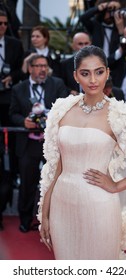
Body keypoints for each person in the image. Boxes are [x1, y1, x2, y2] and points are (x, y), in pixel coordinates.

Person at [37, 45, 126, 260]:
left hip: (99, 206)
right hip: (62, 205)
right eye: (85, 73)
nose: (93, 80)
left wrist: (117, 185)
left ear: (108, 73)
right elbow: (56, 167)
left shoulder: (119, 114)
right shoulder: (62, 110)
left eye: (99, 72)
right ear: (75, 76)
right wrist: (45, 213)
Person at [9, 54, 68, 233]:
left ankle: (54, 223)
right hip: (28, 144)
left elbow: (64, 108)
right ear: (30, 68)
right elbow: (13, 113)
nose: (43, 69)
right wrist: (23, 122)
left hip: (52, 143)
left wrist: (51, 119)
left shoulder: (57, 84)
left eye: (45, 66)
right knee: (27, 183)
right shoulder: (19, 89)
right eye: (38, 66)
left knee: (54, 184)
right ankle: (25, 219)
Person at [0, 9, 24, 230]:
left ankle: (11, 181)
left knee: (10, 150)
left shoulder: (14, 44)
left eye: (5, 23)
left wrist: (11, 77)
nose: (3, 27)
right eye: (0, 23)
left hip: (7, 102)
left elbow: (20, 70)